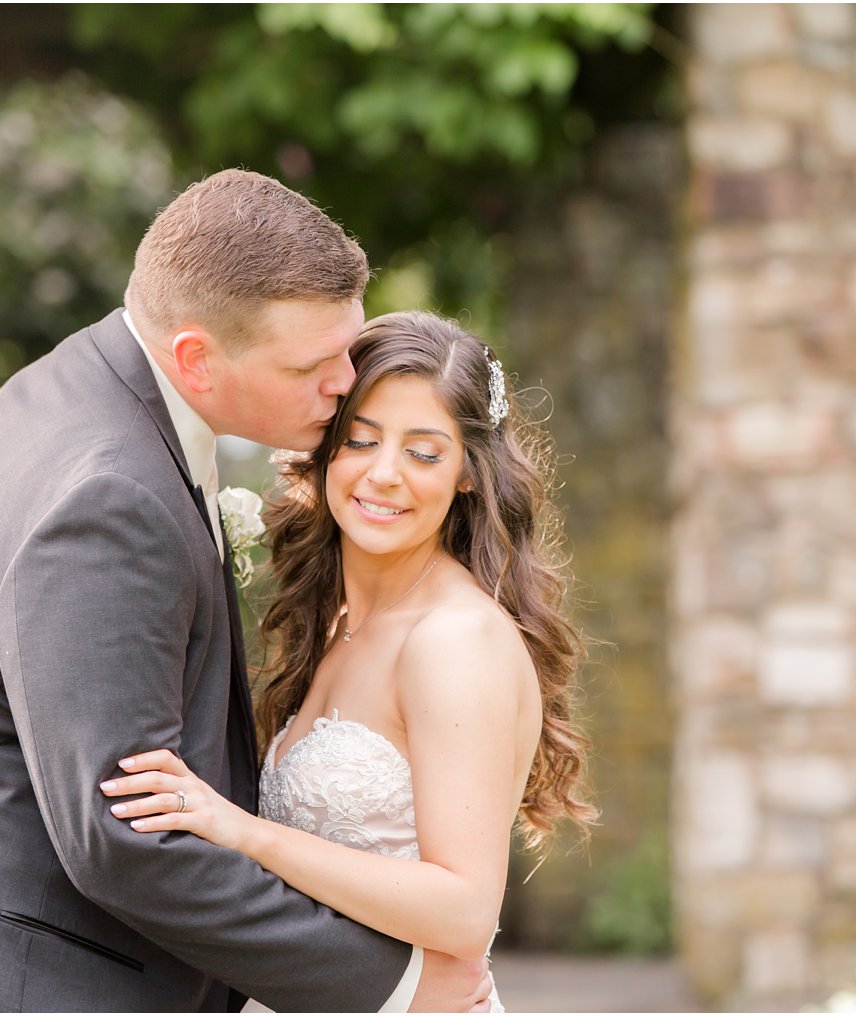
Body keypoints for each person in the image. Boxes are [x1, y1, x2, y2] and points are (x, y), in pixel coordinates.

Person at [0, 171, 490, 1012]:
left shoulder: (79, 391)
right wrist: (395, 985)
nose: (347, 383)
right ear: (197, 357)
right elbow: (126, 841)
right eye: (313, 364)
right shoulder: (110, 497)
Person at [97, 311, 599, 1011]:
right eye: (360, 440)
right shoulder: (338, 620)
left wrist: (242, 832)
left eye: (424, 453)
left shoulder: (455, 640)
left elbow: (462, 909)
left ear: (467, 476)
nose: (383, 474)